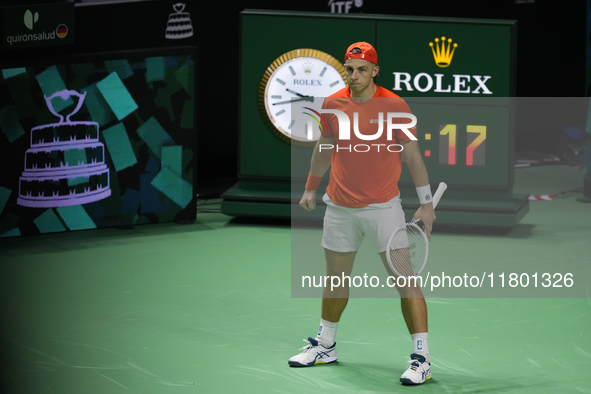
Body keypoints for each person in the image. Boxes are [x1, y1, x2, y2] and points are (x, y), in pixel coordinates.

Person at [288, 42, 436, 385]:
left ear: (375, 71)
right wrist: (311, 186)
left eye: (361, 70)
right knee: (335, 278)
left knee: (405, 280)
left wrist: (426, 204)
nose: (354, 76)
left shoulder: (394, 105)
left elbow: (412, 156)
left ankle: (422, 358)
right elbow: (325, 148)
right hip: (339, 207)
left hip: (383, 208)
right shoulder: (333, 102)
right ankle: (325, 345)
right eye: (349, 69)